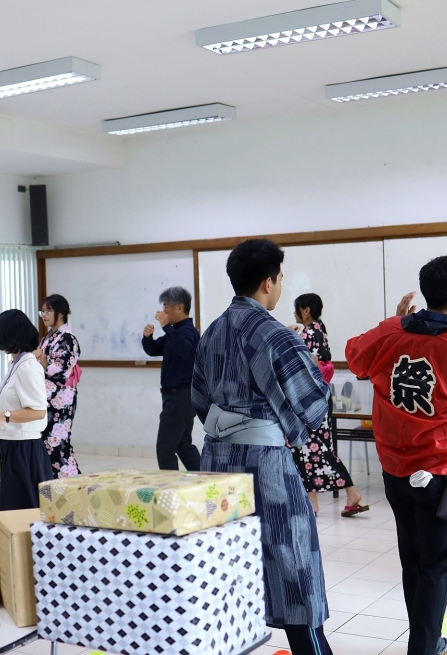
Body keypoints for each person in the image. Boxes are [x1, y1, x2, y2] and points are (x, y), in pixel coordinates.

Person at [345, 256, 447, 655]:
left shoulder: (392, 331)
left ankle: (428, 640)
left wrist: (392, 321)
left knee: (413, 559)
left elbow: (355, 356)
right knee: (436, 566)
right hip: (443, 472)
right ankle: (424, 648)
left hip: (395, 468)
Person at [192, 239, 333, 655]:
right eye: (281, 279)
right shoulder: (276, 335)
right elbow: (313, 404)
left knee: (226, 559)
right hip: (265, 464)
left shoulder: (212, 331)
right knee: (291, 558)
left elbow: (199, 399)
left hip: (216, 462)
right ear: (268, 283)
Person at [288, 293, 368, 517]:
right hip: (320, 399)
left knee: (314, 449)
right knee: (311, 450)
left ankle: (348, 493)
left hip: (309, 402)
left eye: (297, 309)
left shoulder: (307, 333)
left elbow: (305, 367)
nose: (294, 313)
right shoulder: (320, 330)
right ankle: (315, 500)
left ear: (306, 310)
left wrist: (289, 337)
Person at [0, 310, 51, 544]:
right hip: (10, 448)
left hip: (24, 450)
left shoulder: (29, 366)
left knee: (18, 512)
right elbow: (10, 402)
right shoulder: (16, 363)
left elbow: (38, 411)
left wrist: (5, 416)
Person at [142, 286, 201, 471]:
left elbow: (185, 349)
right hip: (178, 397)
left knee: (165, 449)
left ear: (180, 307)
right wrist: (147, 337)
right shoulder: (174, 332)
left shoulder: (188, 332)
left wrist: (167, 327)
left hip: (180, 397)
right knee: (183, 446)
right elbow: (153, 349)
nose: (164, 311)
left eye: (166, 306)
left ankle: (171, 486)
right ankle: (207, 479)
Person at [35, 294, 82, 478]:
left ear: (61, 313)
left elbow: (58, 368)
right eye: (42, 311)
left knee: (58, 443)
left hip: (61, 397)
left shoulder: (68, 338)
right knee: (46, 443)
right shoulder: (48, 337)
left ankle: (72, 482)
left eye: (48, 311)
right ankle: (52, 484)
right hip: (47, 396)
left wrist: (42, 360)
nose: (44, 315)